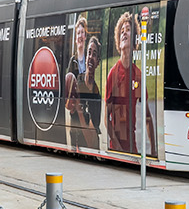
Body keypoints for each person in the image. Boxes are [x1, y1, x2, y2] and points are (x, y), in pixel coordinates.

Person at [105, 11, 156, 158]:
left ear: (134, 41)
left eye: (128, 30)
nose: (124, 33)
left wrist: (153, 150)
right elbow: (106, 118)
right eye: (122, 31)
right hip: (116, 146)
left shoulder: (138, 75)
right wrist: (118, 147)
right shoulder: (113, 74)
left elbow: (147, 117)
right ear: (118, 40)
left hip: (132, 146)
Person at [65, 34, 102, 150]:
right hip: (74, 147)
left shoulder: (96, 95)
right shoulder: (75, 83)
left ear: (98, 62)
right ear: (85, 57)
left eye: (94, 55)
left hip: (87, 149)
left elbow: (92, 142)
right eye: (89, 53)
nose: (91, 57)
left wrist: (79, 110)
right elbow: (67, 105)